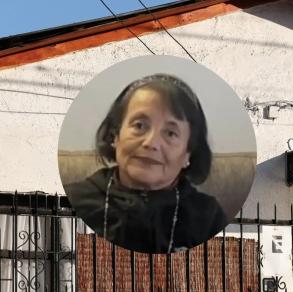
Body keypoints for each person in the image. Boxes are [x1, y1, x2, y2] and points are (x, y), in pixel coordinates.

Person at [65, 73, 228, 254]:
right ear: (115, 136)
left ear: (188, 154)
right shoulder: (75, 199)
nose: (151, 143)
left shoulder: (208, 217)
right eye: (139, 126)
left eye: (170, 133)